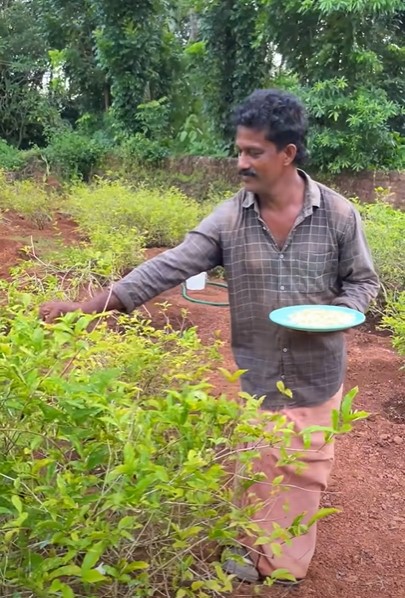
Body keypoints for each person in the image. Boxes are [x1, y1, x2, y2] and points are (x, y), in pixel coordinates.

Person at [40, 89, 379, 584]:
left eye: (253, 152)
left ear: (287, 154)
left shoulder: (339, 214)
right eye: (238, 150)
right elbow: (165, 268)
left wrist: (345, 311)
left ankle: (283, 569)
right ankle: (250, 549)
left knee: (306, 471)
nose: (240, 162)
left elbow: (363, 280)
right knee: (256, 464)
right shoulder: (228, 219)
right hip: (257, 371)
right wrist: (86, 308)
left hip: (317, 371)